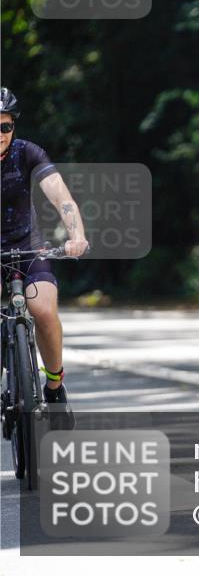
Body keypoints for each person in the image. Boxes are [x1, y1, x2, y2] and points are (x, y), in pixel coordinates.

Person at [0, 87, 89, 427]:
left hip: (27, 246)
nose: (0, 134)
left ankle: (54, 387)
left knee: (43, 310)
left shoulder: (28, 153)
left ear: (14, 127)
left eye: (5, 126)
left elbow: (61, 196)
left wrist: (76, 234)